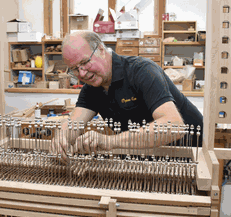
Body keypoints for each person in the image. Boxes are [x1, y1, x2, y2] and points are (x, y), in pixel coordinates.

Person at [51, 31, 203, 161]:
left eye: (85, 62)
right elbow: (74, 123)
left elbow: (174, 126)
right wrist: (61, 138)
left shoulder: (142, 71)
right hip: (149, 156)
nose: (82, 73)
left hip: (192, 156)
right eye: (75, 69)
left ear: (101, 50)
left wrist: (110, 141)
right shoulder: (92, 87)